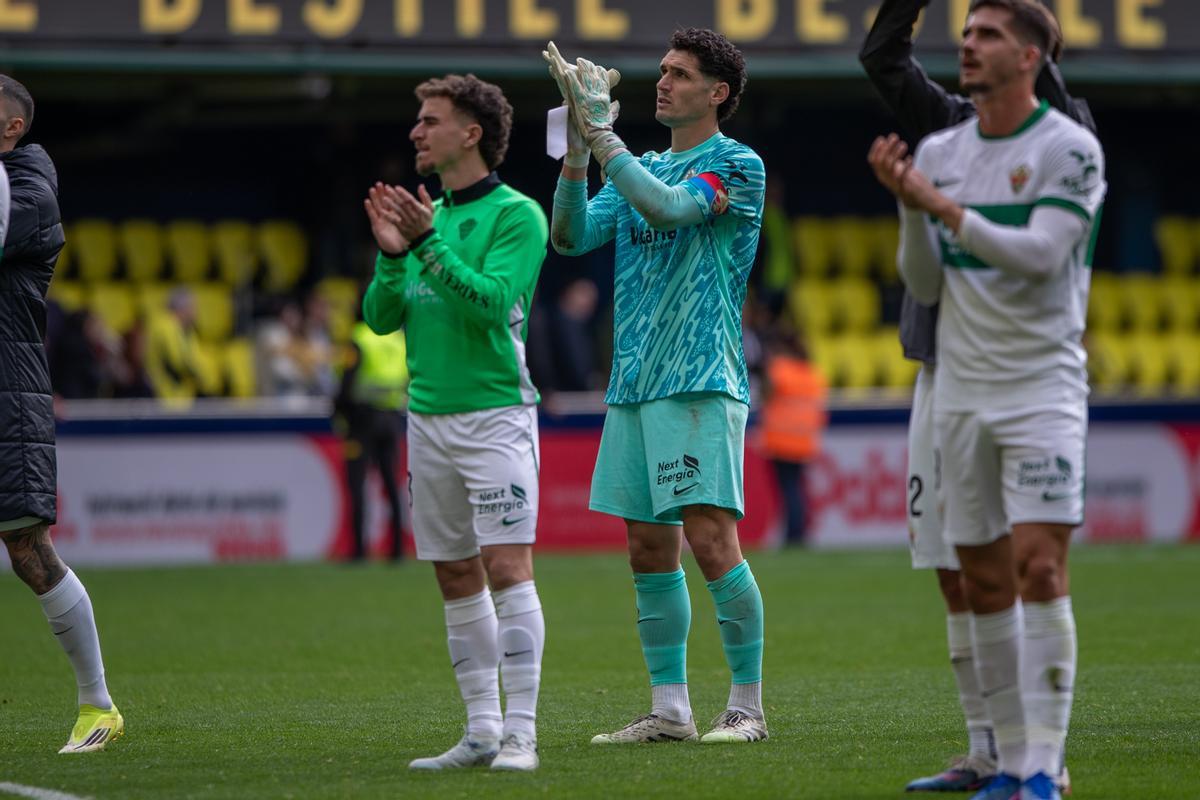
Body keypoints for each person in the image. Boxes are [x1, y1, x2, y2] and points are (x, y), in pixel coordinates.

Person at [868, 2, 1105, 799]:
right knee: (981, 581)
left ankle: (1044, 768)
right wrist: (911, 209)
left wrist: (937, 208)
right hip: (957, 389)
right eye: (965, 33)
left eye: (989, 34)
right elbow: (926, 280)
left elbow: (1040, 256)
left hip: (1040, 388)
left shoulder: (1069, 148)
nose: (968, 44)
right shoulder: (940, 150)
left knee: (1038, 568)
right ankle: (1003, 762)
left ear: (1034, 56)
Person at [547, 28, 769, 744]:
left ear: (718, 92)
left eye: (680, 74)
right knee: (648, 548)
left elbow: (671, 209)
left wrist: (604, 135)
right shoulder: (635, 164)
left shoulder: (736, 164)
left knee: (711, 540)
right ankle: (670, 709)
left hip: (698, 378)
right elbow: (571, 237)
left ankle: (746, 707)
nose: (663, 83)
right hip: (635, 385)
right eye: (663, 71)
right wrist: (581, 147)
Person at [361, 73, 549, 772]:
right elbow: (380, 319)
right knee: (454, 574)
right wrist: (390, 253)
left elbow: (494, 302)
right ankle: (480, 731)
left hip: (496, 415)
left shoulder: (516, 215)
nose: (416, 131)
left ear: (470, 134)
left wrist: (427, 245)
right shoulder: (421, 216)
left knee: (507, 566)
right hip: (427, 417)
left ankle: (522, 735)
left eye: (430, 120)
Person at [0, 74, 124, 753]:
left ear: (11, 127)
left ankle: (96, 704)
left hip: (6, 392)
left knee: (26, 550)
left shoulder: (30, 187)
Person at [333, 313, 408, 561]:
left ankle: (359, 550)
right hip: (391, 417)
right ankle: (397, 549)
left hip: (361, 420)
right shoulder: (398, 339)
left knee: (357, 485)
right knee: (390, 484)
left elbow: (347, 379)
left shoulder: (360, 337)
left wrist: (339, 412)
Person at [759, 326, 827, 547]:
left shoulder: (780, 369)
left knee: (788, 490)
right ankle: (798, 532)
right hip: (805, 441)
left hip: (781, 440)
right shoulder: (813, 373)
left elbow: (765, 394)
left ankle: (793, 535)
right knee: (796, 488)